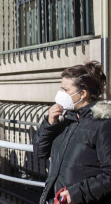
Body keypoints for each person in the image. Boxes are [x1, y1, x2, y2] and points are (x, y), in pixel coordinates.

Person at [33, 61, 111, 204]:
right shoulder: (66, 119)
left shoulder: (103, 124)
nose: (61, 94)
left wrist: (75, 194)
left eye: (66, 90)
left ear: (82, 94)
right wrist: (49, 123)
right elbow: (40, 152)